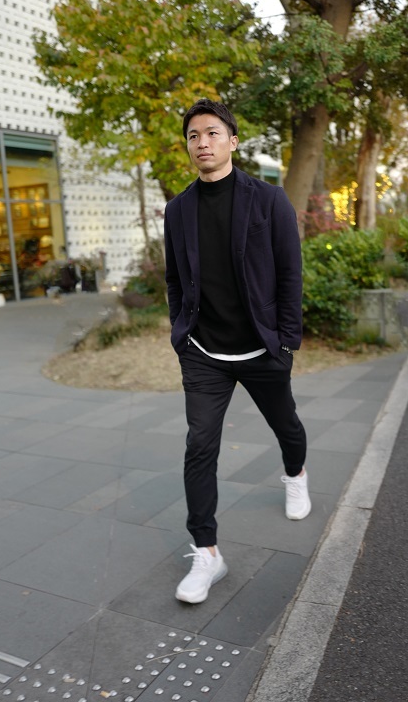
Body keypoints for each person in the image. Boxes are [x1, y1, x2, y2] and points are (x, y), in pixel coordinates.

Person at [164, 98, 310, 605]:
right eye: (193, 136)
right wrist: (180, 334)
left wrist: (287, 340)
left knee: (286, 425)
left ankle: (296, 474)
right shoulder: (178, 209)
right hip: (203, 351)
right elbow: (175, 279)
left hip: (263, 347)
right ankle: (207, 553)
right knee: (199, 447)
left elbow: (290, 272)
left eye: (211, 133)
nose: (201, 142)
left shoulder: (268, 200)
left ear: (232, 140)